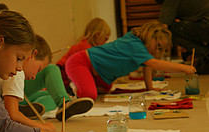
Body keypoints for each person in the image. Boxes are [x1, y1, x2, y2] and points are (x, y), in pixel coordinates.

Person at [65, 21, 197, 100]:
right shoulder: (135, 45)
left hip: (99, 74)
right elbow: (154, 64)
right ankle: (74, 90)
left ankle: (82, 84)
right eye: (157, 46)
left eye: (160, 49)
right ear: (150, 36)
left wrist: (149, 87)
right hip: (80, 62)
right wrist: (183, 68)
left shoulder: (140, 46)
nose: (157, 51)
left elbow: (148, 66)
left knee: (106, 90)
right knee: (89, 95)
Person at [57, 17, 111, 95]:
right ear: (97, 35)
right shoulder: (85, 49)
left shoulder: (85, 46)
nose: (105, 43)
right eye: (105, 39)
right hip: (64, 81)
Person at [157, 0, 209, 74]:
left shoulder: (170, 2)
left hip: (206, 25)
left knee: (169, 32)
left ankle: (205, 53)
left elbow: (162, 29)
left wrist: (153, 57)